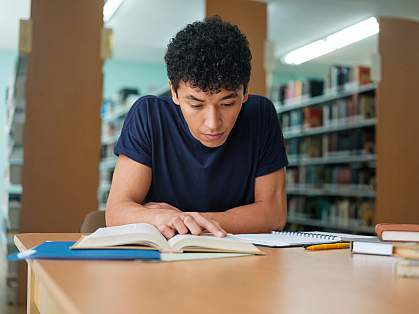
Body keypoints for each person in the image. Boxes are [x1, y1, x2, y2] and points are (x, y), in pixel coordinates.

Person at [105, 16, 288, 239]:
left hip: (238, 261)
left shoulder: (261, 115)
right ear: (174, 92)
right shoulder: (149, 115)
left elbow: (273, 214)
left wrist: (186, 219)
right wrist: (160, 218)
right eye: (196, 104)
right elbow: (116, 212)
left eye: (228, 103)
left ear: (245, 91)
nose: (213, 123)